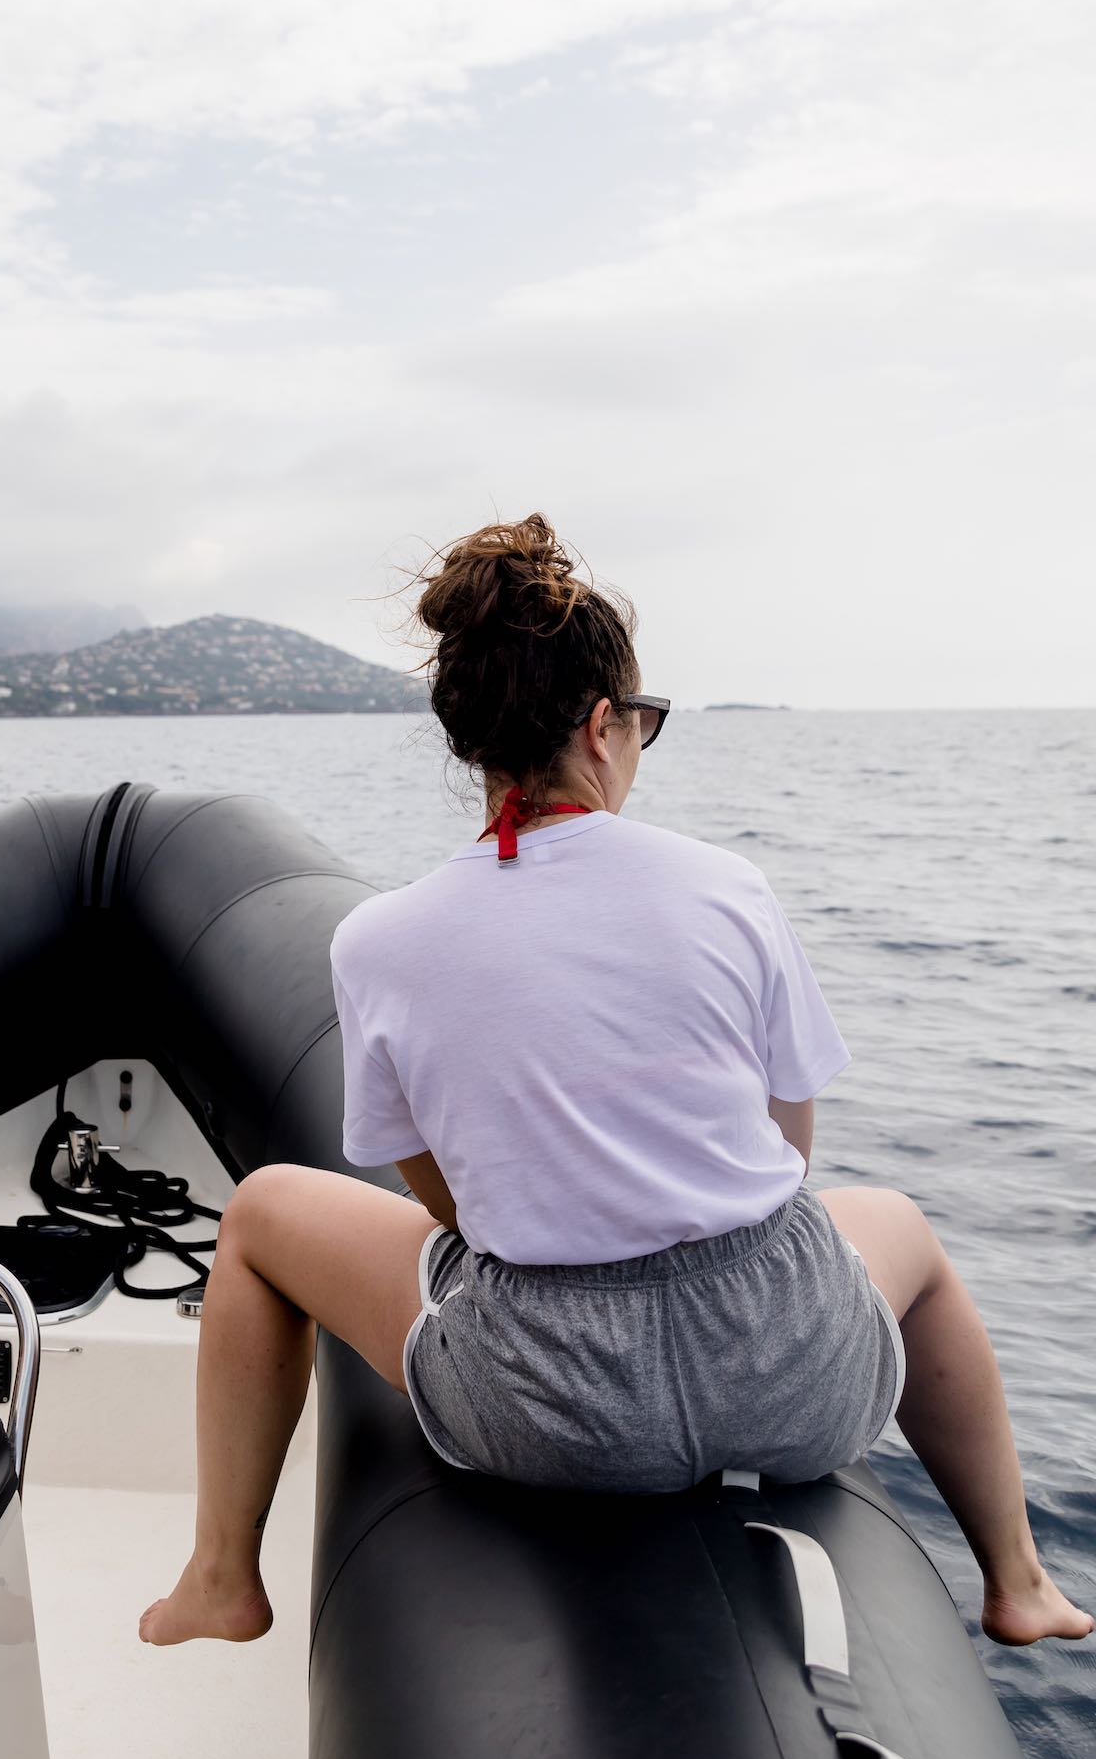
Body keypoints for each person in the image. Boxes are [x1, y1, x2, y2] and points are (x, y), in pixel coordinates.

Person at [139, 513, 1090, 1650]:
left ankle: (220, 1579)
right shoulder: (724, 886)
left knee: (255, 1215)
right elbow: (790, 1154)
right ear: (600, 727)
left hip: (555, 1413)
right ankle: (1020, 1582)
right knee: (906, 1236)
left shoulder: (379, 942)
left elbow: (446, 1206)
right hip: (791, 1371)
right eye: (642, 723)